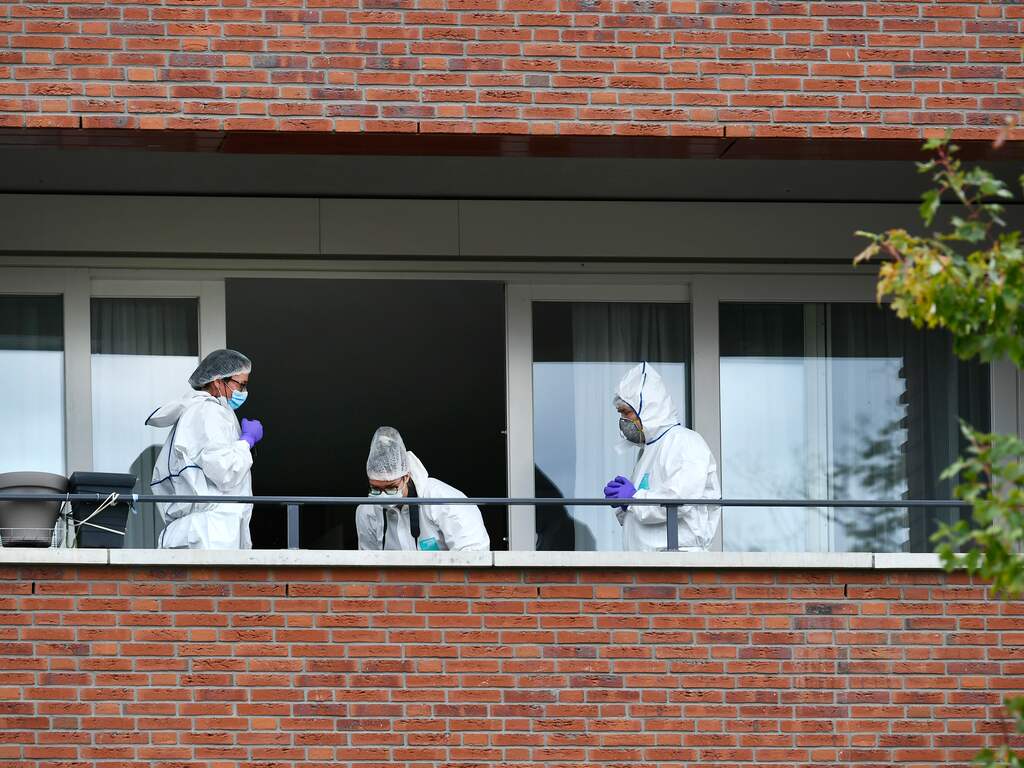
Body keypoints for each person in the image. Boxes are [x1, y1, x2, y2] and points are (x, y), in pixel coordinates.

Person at [146, 349, 264, 549]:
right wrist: (247, 441)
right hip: (211, 532)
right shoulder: (209, 412)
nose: (243, 391)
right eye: (241, 384)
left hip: (198, 530)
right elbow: (224, 470)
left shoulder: (198, 411)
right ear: (218, 382)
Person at [603, 362, 720, 551]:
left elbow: (680, 500)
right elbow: (644, 513)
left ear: (648, 408)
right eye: (620, 413)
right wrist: (626, 506)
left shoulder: (684, 441)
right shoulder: (649, 450)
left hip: (677, 559)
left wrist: (633, 498)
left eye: (627, 412)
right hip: (649, 561)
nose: (623, 420)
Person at [356, 427, 489, 551]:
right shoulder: (367, 511)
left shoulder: (442, 499)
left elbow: (473, 552)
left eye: (391, 488)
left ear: (406, 476)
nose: (383, 495)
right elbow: (368, 560)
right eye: (375, 489)